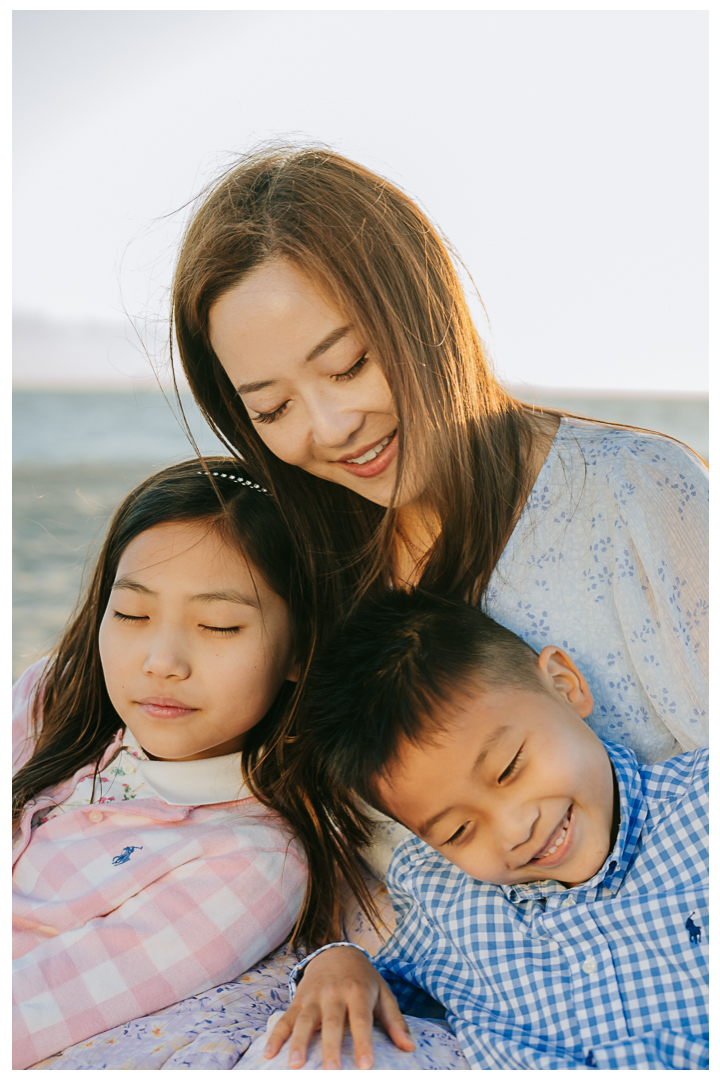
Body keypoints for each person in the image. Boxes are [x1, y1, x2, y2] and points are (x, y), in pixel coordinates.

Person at [171, 146, 708, 878]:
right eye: (272, 407)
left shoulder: (637, 491)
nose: (329, 427)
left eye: (350, 365)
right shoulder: (314, 575)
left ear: (425, 308)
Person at [261, 590, 708, 1070]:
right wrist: (336, 963)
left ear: (563, 684)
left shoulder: (701, 805)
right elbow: (380, 989)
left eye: (510, 767)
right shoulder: (446, 903)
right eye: (457, 832)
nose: (515, 830)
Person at [13, 458, 310, 1070]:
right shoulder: (51, 697)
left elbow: (33, 1010)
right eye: (131, 614)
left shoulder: (252, 862)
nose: (162, 660)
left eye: (218, 625)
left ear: (301, 650)